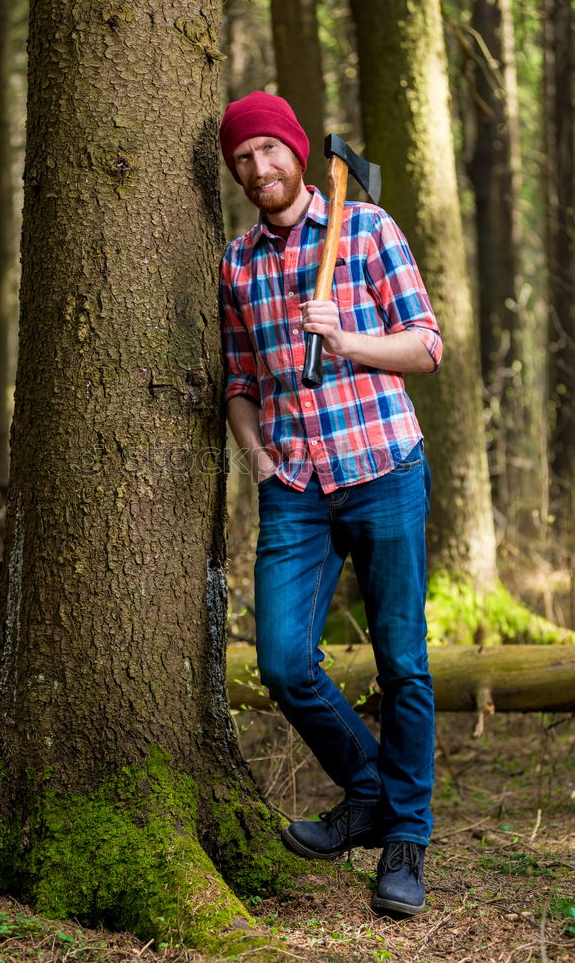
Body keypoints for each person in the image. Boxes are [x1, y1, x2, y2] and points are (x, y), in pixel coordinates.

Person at [218, 91, 442, 917]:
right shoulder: (237, 263)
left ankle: (403, 843)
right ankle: (375, 792)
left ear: (299, 152)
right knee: (281, 659)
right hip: (296, 485)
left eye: (268, 152)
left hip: (382, 465)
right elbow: (240, 381)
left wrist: (345, 340)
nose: (257, 169)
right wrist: (254, 454)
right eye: (242, 159)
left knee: (402, 663)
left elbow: (424, 345)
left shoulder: (368, 229)